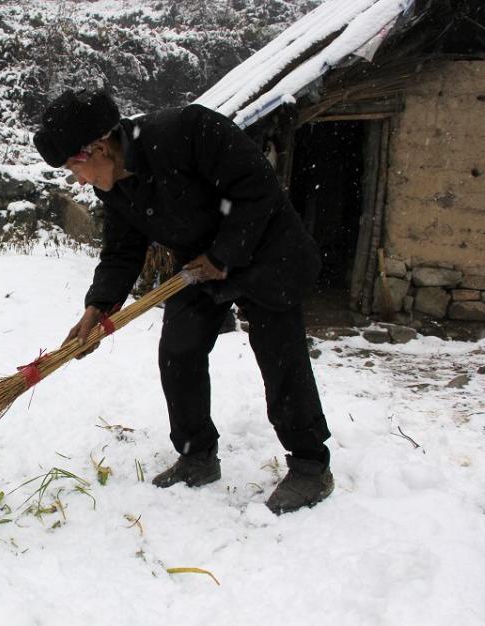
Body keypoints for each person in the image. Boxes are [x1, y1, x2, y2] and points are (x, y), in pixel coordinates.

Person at [33, 89, 334, 514]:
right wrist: (97, 307)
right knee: (179, 349)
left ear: (98, 148)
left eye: (73, 169)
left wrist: (223, 255)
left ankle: (309, 465)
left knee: (280, 357)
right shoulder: (113, 186)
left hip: (267, 253)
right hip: (198, 266)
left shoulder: (187, 132)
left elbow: (258, 191)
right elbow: (122, 251)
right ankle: (197, 455)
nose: (77, 182)